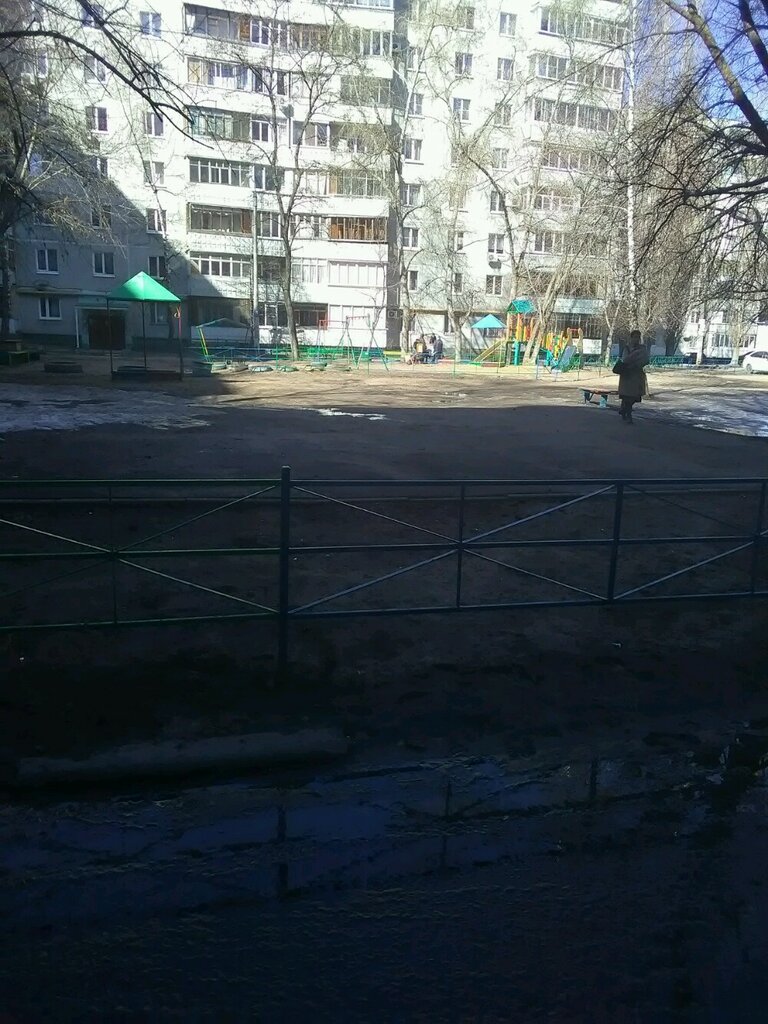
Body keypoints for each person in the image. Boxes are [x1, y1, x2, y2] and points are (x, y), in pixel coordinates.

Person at [615, 330, 649, 423]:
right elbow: (625, 359)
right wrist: (634, 358)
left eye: (638, 337)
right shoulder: (627, 348)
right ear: (631, 338)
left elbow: (646, 359)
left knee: (634, 397)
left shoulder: (642, 348)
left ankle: (624, 410)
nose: (636, 339)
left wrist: (637, 361)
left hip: (637, 376)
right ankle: (628, 414)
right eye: (635, 337)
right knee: (627, 397)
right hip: (627, 375)